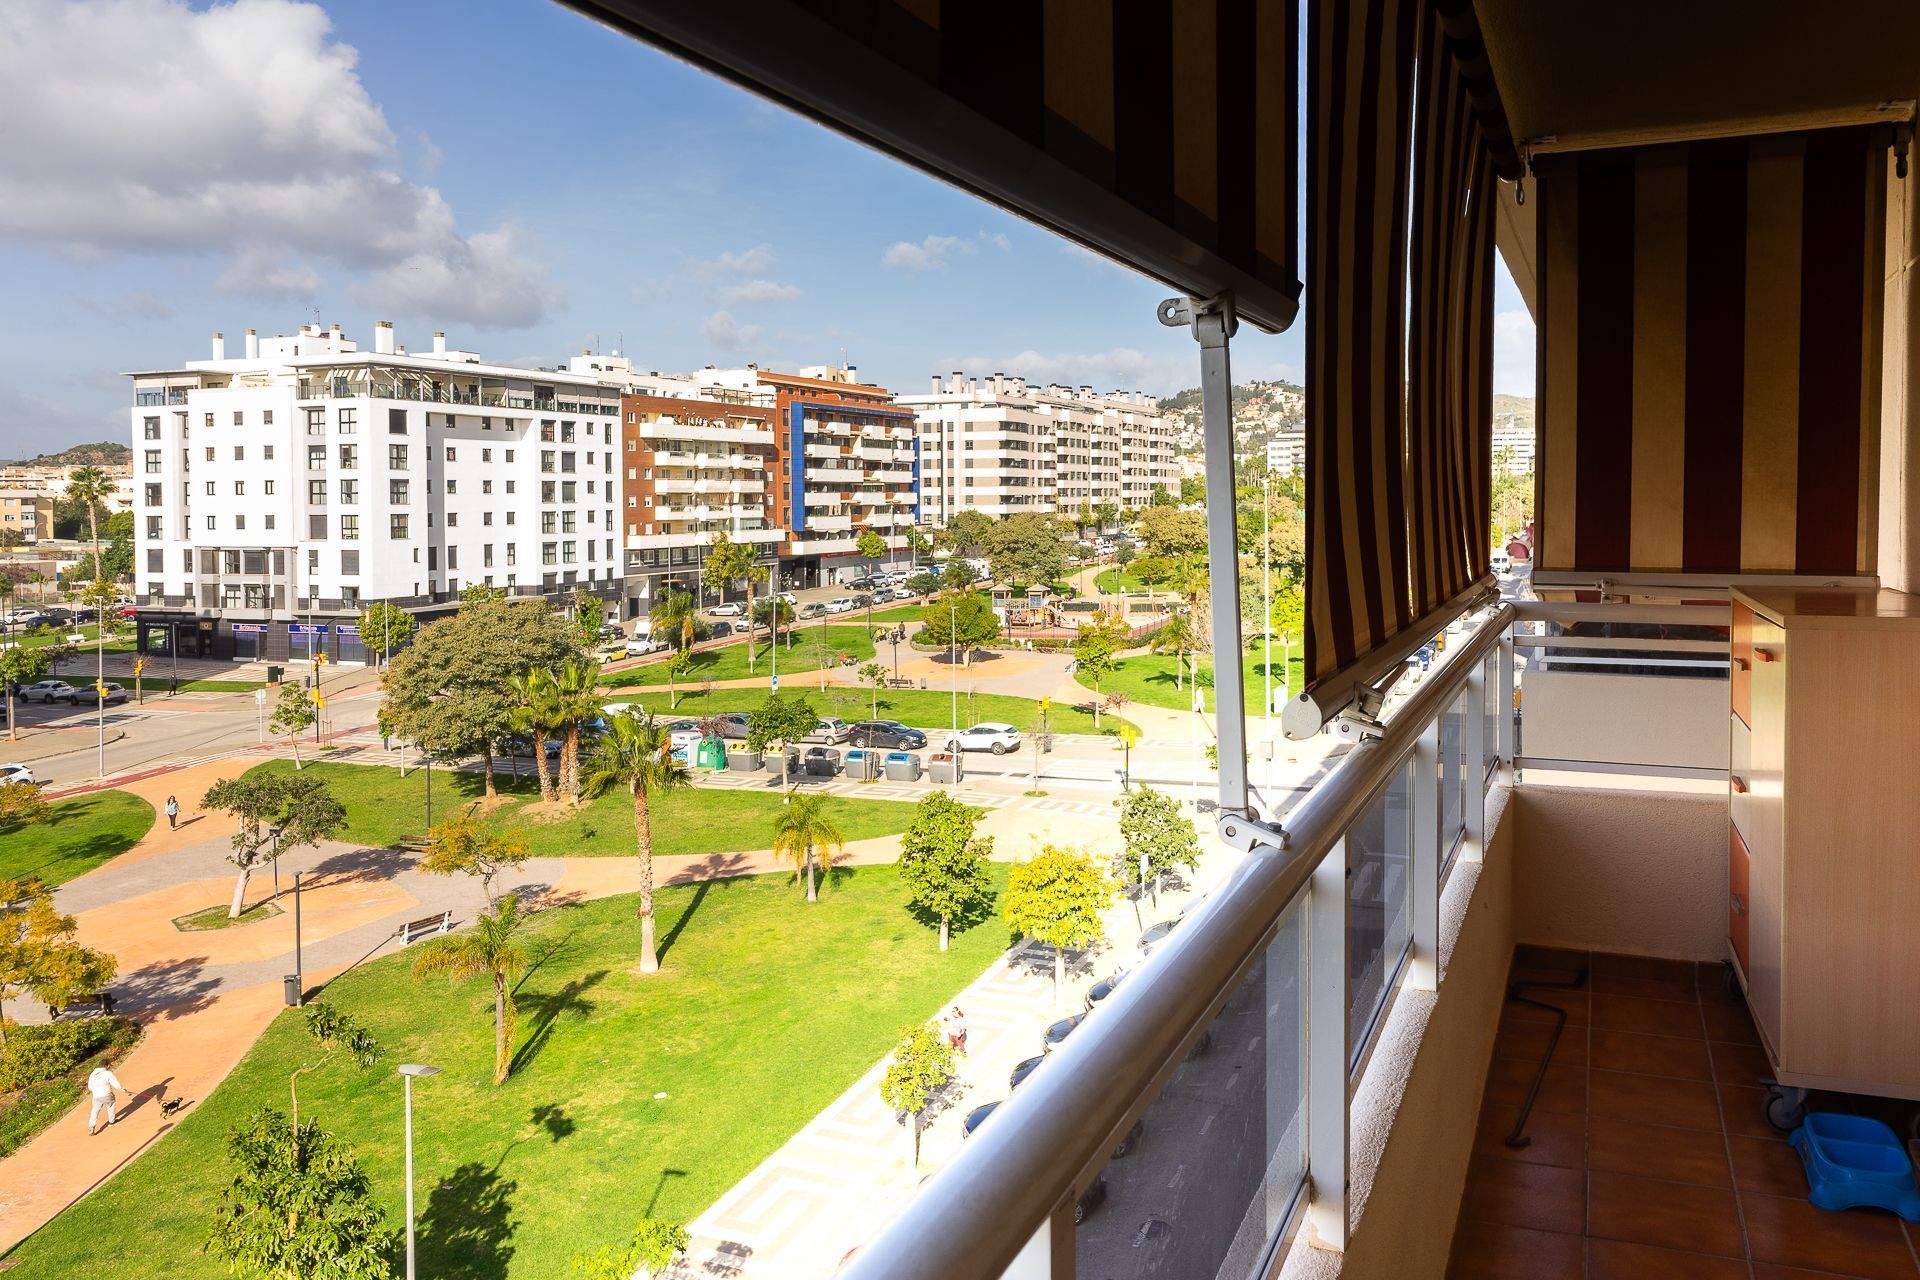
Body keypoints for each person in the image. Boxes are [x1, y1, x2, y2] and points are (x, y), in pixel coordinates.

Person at [86, 1064, 128, 1135]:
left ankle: (92, 1127)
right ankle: (111, 1121)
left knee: (95, 1111)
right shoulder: (108, 1073)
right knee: (111, 1106)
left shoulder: (92, 1075)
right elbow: (115, 1083)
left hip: (96, 1096)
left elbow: (90, 1087)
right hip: (107, 1094)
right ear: (107, 1066)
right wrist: (123, 1089)